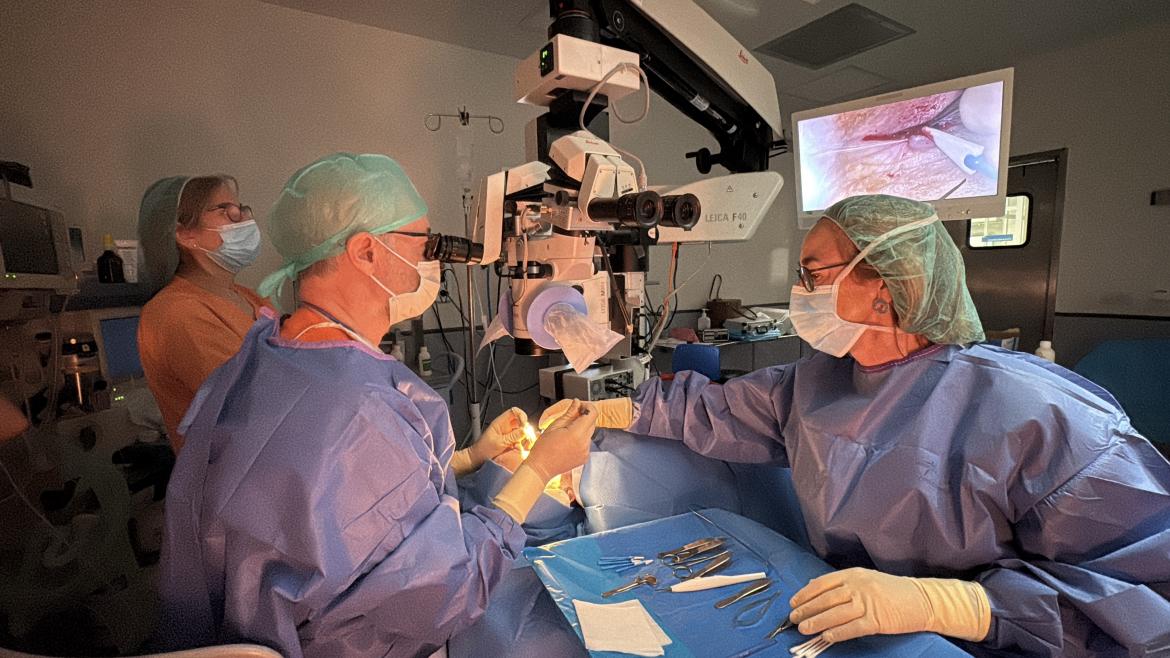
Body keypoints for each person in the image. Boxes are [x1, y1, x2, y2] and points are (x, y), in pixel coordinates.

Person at [544, 195, 1170, 656]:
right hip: (844, 624)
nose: (799, 292)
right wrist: (609, 411)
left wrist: (955, 604)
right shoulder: (816, 381)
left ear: (887, 288)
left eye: (815, 275)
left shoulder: (1039, 414)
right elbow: (715, 408)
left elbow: (1145, 595)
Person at [156, 153, 598, 658]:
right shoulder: (358, 406)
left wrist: (472, 457)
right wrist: (539, 469)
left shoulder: (270, 353)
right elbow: (448, 590)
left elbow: (327, 506)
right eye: (423, 242)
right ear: (366, 251)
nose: (431, 258)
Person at [137, 175, 270, 453]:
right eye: (225, 210)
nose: (242, 219)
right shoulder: (175, 313)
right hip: (235, 478)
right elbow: (252, 405)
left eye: (241, 209)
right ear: (185, 234)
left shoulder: (249, 298)